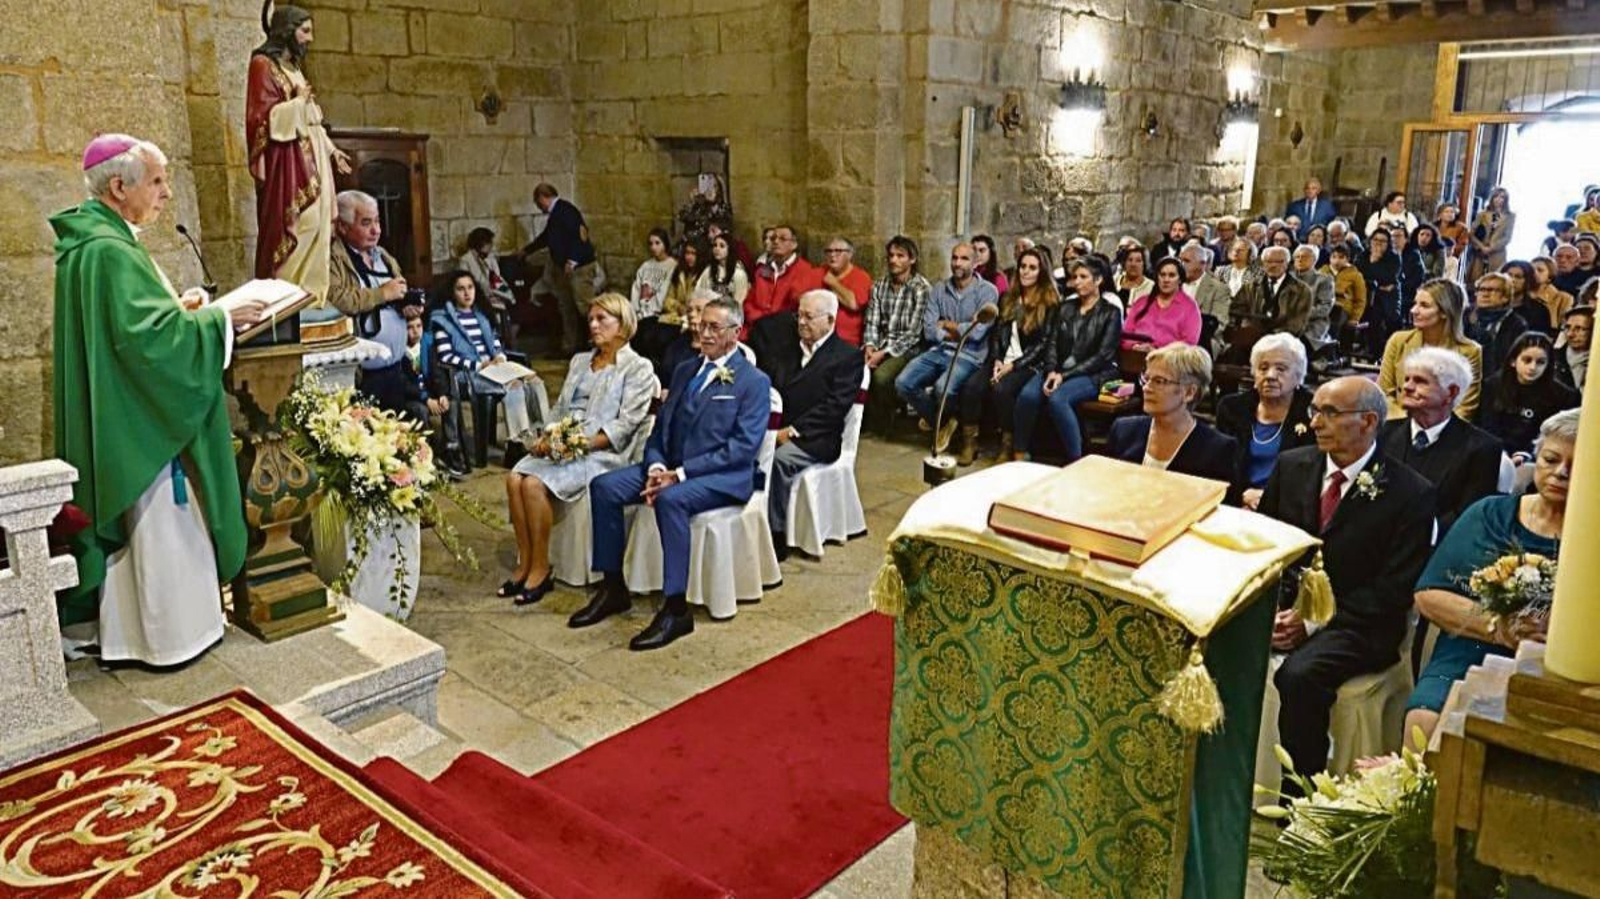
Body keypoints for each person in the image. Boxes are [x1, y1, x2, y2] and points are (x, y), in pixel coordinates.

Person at [51, 134, 264, 665]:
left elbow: (133, 329)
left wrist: (181, 309)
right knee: (158, 527)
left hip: (121, 412)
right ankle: (169, 637)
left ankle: (133, 633)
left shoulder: (96, 242)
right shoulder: (108, 250)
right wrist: (218, 320)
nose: (167, 193)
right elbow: (145, 345)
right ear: (118, 187)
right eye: (157, 181)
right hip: (140, 429)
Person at [1257, 376, 1435, 783]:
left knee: (1299, 676)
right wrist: (1272, 612)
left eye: (1330, 413)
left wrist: (1312, 621)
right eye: (1314, 411)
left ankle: (1302, 794)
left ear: (1368, 421)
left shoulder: (1411, 493)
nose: (1315, 422)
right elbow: (1265, 544)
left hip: (1359, 623)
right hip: (1287, 606)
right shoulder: (1292, 466)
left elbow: (1394, 589)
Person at [573, 296, 772, 651]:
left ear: (736, 333)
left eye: (714, 327)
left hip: (722, 475)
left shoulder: (753, 381)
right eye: (701, 324)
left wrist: (679, 475)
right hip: (669, 468)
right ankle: (613, 586)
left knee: (671, 500)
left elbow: (741, 449)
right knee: (604, 487)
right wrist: (655, 465)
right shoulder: (684, 370)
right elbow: (660, 430)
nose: (703, 332)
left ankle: (676, 608)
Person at [1403, 409, 1576, 749]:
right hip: (1474, 645)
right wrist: (1500, 626)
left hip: (1561, 663)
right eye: (1551, 459)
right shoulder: (1489, 514)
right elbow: (1429, 595)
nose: (1561, 473)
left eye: (1577, 465)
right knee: (1426, 722)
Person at [502, 293, 656, 605]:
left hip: (603, 452)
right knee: (514, 479)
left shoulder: (638, 368)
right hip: (564, 442)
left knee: (533, 484)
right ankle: (525, 562)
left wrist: (573, 444)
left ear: (622, 324)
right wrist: (548, 437)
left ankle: (541, 569)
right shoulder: (580, 361)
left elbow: (624, 426)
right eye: (591, 320)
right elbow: (561, 408)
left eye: (602, 319)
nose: (594, 325)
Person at [245, 3, 351, 307]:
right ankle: (288, 299)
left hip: (314, 157)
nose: (310, 38)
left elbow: (313, 120)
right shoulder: (263, 65)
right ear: (287, 31)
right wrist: (297, 103)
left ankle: (313, 298)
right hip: (288, 162)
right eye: (305, 31)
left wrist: (332, 150)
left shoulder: (294, 69)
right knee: (302, 222)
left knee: (320, 224)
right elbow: (261, 119)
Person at [756, 290, 865, 557]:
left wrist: (793, 431)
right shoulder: (787, 348)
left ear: (830, 320)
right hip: (778, 425)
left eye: (809, 317)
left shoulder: (847, 356)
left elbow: (834, 408)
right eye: (799, 316)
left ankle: (775, 533)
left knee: (779, 461)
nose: (801, 322)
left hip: (817, 436)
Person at [1380, 346, 1503, 535]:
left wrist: (1417, 535)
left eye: (1420, 381)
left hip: (1436, 543)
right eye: (1407, 379)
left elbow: (1468, 515)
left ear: (1451, 392)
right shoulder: (1383, 433)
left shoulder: (1482, 448)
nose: (1407, 387)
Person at [953, 247, 1060, 465]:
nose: (1026, 272)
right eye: (1023, 267)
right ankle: (969, 443)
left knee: (1002, 389)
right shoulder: (1008, 298)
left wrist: (1012, 366)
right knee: (972, 386)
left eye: (1032, 268)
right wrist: (997, 360)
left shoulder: (1050, 302)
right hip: (1003, 360)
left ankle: (1007, 444)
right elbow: (996, 334)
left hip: (1028, 363)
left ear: (1041, 272)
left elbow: (1043, 344)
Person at [429, 270, 547, 460]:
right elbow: (446, 357)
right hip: (467, 374)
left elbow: (495, 343)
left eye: (470, 287)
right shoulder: (442, 320)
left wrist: (499, 356)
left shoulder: (481, 315)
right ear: (452, 292)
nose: (467, 293)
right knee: (514, 386)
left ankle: (544, 435)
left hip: (494, 368)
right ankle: (516, 444)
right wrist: (478, 365)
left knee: (535, 382)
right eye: (460, 289)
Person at [1015, 257, 1122, 462]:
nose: (1077, 282)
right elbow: (1052, 343)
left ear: (1098, 280)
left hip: (1093, 374)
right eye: (1075, 277)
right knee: (1028, 396)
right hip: (1058, 369)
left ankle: (1076, 460)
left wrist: (1063, 376)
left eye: (1083, 277)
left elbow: (1102, 356)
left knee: (1058, 398)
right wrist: (1051, 370)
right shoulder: (1065, 307)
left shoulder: (1111, 313)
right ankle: (1019, 453)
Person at [894, 242, 999, 446]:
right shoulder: (939, 289)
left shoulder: (988, 291)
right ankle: (943, 421)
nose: (957, 263)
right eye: (954, 258)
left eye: (964, 258)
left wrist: (947, 325)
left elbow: (977, 333)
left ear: (975, 263)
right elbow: (929, 331)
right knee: (903, 383)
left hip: (970, 356)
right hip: (940, 350)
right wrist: (959, 331)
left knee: (943, 388)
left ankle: (941, 420)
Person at [327, 190, 411, 412]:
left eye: (377, 221)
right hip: (364, 376)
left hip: (396, 369)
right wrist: (381, 294)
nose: (376, 230)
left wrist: (407, 306)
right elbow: (337, 298)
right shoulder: (333, 259)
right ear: (343, 227)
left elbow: (397, 290)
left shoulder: (383, 255)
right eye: (366, 223)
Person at [1104, 344, 1236, 482]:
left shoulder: (1218, 449)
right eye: (1146, 379)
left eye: (1159, 381)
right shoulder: (1123, 430)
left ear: (1189, 392)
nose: (1146, 388)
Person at [1216, 334, 1316, 509]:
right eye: (1263, 368)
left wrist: (1270, 498)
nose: (1270, 375)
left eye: (1281, 369)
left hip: (1291, 507)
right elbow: (1221, 466)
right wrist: (1241, 496)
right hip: (1239, 502)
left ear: (1298, 375)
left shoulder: (1313, 412)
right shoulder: (1232, 408)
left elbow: (1314, 474)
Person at [1377, 279, 1484, 420]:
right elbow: (1384, 395)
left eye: (1424, 306)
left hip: (1446, 430)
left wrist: (1432, 427)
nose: (1413, 310)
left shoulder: (1470, 351)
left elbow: (1465, 407)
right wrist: (1410, 426)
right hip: (1398, 424)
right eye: (1415, 303)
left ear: (1445, 312)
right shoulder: (1398, 341)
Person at [862, 235, 932, 433]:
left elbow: (914, 333)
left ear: (912, 259)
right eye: (891, 255)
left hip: (910, 347)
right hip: (882, 343)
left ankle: (886, 421)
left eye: (900, 256)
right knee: (854, 369)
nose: (894, 260)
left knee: (881, 376)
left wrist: (884, 353)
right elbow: (872, 321)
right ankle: (865, 421)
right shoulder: (879, 286)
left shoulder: (921, 288)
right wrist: (870, 345)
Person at [1478, 333, 1580, 458]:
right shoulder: (1492, 386)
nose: (1533, 367)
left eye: (1540, 362)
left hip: (1536, 456)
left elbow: (1553, 436)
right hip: (1495, 452)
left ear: (1548, 364)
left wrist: (1526, 455)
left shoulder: (1564, 396)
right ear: (1513, 361)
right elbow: (1487, 427)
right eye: (1527, 360)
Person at [527, 183, 599, 356]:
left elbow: (580, 236)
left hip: (579, 268)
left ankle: (597, 345)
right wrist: (527, 250)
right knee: (567, 307)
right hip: (565, 269)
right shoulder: (556, 213)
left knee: (586, 306)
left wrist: (572, 260)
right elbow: (547, 237)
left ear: (543, 197)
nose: (538, 207)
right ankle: (570, 346)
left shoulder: (566, 211)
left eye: (538, 202)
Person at [1231, 245, 1312, 340]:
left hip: (1285, 340)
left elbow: (1297, 322)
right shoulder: (1250, 287)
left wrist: (1273, 338)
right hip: (1252, 337)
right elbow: (1237, 311)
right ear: (1262, 264)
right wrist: (1248, 330)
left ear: (1287, 264)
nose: (1273, 265)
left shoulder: (1301, 290)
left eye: (1279, 262)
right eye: (1269, 261)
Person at [744, 224, 814, 333]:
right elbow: (749, 302)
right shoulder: (762, 270)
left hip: (785, 331)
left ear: (794, 244)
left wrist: (768, 321)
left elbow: (796, 307)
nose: (776, 242)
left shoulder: (804, 270)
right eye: (773, 238)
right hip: (757, 326)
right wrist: (757, 318)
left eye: (782, 239)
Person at [1123, 257, 1202, 351]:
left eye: (1171, 275)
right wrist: (1135, 346)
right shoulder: (1141, 302)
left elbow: (1189, 344)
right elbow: (1125, 334)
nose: (1166, 280)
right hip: (1135, 354)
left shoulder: (1190, 307)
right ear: (1157, 278)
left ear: (1180, 279)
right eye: (1162, 275)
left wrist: (1158, 351)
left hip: (1169, 358)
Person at [629, 228, 679, 368]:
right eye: (651, 243)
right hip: (641, 312)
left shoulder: (672, 265)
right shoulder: (646, 266)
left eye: (657, 243)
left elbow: (665, 291)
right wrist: (636, 310)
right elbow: (636, 288)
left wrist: (651, 309)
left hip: (657, 313)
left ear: (665, 244)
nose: (653, 247)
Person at [1464, 271, 1531, 374]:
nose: (1485, 294)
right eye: (1481, 289)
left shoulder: (1516, 324)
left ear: (1505, 297)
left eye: (1491, 290)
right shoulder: (1465, 316)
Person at [459, 227, 517, 338]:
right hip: (477, 297)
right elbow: (465, 283)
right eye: (489, 243)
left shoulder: (490, 258)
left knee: (509, 307)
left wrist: (498, 290)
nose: (491, 246)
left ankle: (505, 339)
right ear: (481, 243)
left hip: (493, 294)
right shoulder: (466, 260)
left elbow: (497, 278)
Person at [1359, 228, 1405, 362]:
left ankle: (1389, 352)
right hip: (1368, 293)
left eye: (1383, 241)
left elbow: (1389, 277)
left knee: (1389, 317)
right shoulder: (1363, 255)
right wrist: (1375, 280)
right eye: (1375, 240)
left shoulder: (1394, 257)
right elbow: (1359, 275)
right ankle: (1373, 352)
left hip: (1389, 295)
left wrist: (1374, 263)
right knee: (1372, 316)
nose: (1378, 243)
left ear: (1388, 243)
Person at [817, 237, 872, 346]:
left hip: (846, 341)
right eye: (829, 251)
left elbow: (854, 304)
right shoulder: (820, 271)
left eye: (838, 251)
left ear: (850, 254)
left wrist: (833, 283)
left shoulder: (861, 277)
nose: (832, 255)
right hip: (818, 337)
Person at [1180, 243, 1231, 357]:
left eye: (1186, 261)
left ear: (1202, 264)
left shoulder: (1219, 289)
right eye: (1180, 260)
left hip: (1205, 338)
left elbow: (1219, 323)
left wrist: (1188, 334)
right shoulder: (1173, 283)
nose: (1181, 265)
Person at [1467, 187, 1515, 282]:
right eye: (1496, 196)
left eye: (1502, 197)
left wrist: (1491, 248)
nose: (1498, 199)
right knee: (1475, 280)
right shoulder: (1482, 214)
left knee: (1495, 280)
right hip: (1480, 253)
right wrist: (1481, 247)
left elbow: (1507, 237)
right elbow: (1471, 233)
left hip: (1497, 254)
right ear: (1492, 198)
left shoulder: (1510, 216)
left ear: (1506, 200)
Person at [1292, 244, 1336, 349]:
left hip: (1312, 323)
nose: (1300, 259)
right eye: (1297, 257)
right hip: (1287, 322)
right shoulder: (1288, 278)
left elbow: (1324, 307)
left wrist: (1299, 314)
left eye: (1305, 257)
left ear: (1314, 260)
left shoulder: (1324, 280)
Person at [676, 173, 731, 248]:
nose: (710, 190)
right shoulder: (698, 207)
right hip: (690, 246)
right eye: (707, 186)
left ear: (719, 190)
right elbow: (681, 216)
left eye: (714, 186)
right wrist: (692, 202)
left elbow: (722, 229)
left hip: (709, 247)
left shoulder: (723, 209)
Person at [696, 231, 751, 306]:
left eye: (722, 246)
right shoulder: (708, 270)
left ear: (730, 249)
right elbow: (699, 292)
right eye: (715, 245)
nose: (717, 249)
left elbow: (739, 302)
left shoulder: (739, 274)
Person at [1526, 256, 1575, 337]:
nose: (1534, 273)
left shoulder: (1564, 299)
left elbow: (1563, 328)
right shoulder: (1520, 296)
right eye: (1531, 270)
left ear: (1550, 276)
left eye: (1540, 270)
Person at [1326, 242, 1367, 333]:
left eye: (1341, 257)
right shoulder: (1323, 271)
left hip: (1342, 307)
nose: (1337, 261)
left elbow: (1360, 300)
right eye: (1334, 257)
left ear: (1347, 259)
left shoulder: (1355, 275)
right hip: (1324, 305)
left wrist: (1355, 318)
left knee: (1335, 314)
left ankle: (1331, 340)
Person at [1554, 304, 1592, 390]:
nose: (1570, 334)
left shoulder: (1595, 363)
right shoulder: (1552, 358)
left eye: (1579, 329)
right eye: (1567, 327)